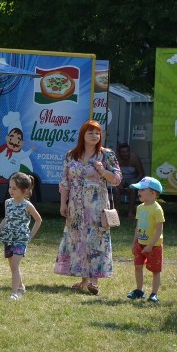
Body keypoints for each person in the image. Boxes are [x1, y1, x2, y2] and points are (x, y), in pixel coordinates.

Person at [54, 120, 121, 295]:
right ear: (82, 134)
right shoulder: (71, 155)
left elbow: (117, 179)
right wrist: (63, 203)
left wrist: (102, 171)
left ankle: (94, 280)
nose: (94, 136)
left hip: (97, 204)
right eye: (90, 132)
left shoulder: (106, 155)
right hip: (75, 204)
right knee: (77, 238)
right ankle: (83, 279)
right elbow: (65, 181)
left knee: (96, 239)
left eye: (97, 133)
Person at [0, 172, 42, 299]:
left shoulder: (27, 205)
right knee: (12, 266)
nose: (11, 190)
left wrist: (30, 236)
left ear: (24, 190)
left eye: (14, 188)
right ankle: (21, 286)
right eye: (10, 187)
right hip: (8, 237)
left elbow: (38, 220)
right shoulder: (7, 202)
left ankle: (15, 293)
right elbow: (6, 218)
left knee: (15, 265)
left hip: (20, 238)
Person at [126, 177, 165, 303]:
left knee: (155, 270)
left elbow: (159, 231)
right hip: (140, 244)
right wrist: (134, 243)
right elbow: (138, 227)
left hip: (154, 245)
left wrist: (151, 245)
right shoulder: (140, 208)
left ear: (153, 193)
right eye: (138, 190)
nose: (139, 192)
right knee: (138, 266)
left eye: (142, 190)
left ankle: (154, 294)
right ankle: (139, 290)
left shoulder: (157, 209)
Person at [116, 143, 145, 218]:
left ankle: (130, 212)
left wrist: (134, 183)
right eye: (123, 152)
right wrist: (118, 182)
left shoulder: (134, 158)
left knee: (133, 189)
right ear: (119, 153)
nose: (125, 154)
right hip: (120, 178)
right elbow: (113, 172)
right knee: (116, 189)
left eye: (126, 152)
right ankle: (116, 212)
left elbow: (141, 173)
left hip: (133, 179)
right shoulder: (116, 158)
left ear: (129, 151)